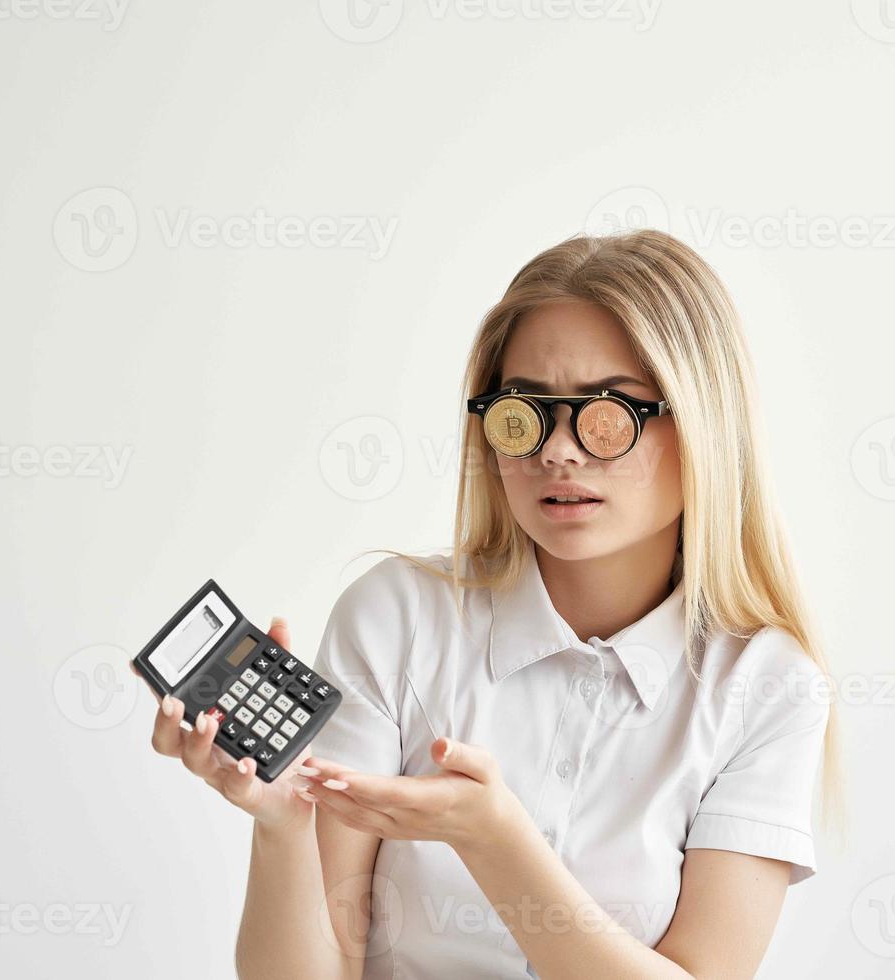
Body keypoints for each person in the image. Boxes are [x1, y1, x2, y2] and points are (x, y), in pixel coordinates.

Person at [136, 229, 840, 979]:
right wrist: (282, 826)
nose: (557, 451)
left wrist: (495, 840)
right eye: (524, 414)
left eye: (610, 414)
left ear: (702, 426)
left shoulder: (768, 685)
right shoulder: (396, 618)